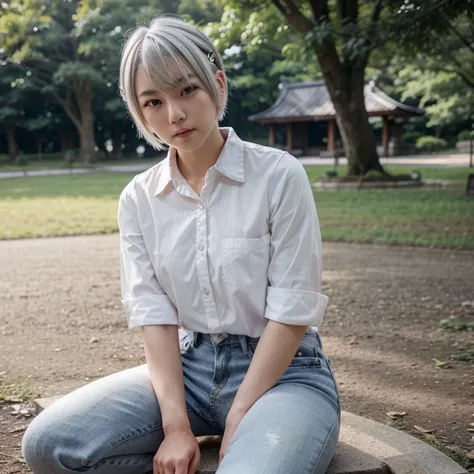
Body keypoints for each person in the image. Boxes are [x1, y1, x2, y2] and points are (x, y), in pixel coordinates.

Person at [21, 15, 340, 474]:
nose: (174, 114)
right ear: (139, 111)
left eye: (187, 89)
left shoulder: (278, 175)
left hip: (284, 376)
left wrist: (240, 415)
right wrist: (175, 426)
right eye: (153, 100)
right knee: (48, 444)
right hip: (189, 371)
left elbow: (292, 310)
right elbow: (154, 313)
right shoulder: (139, 198)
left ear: (218, 83)